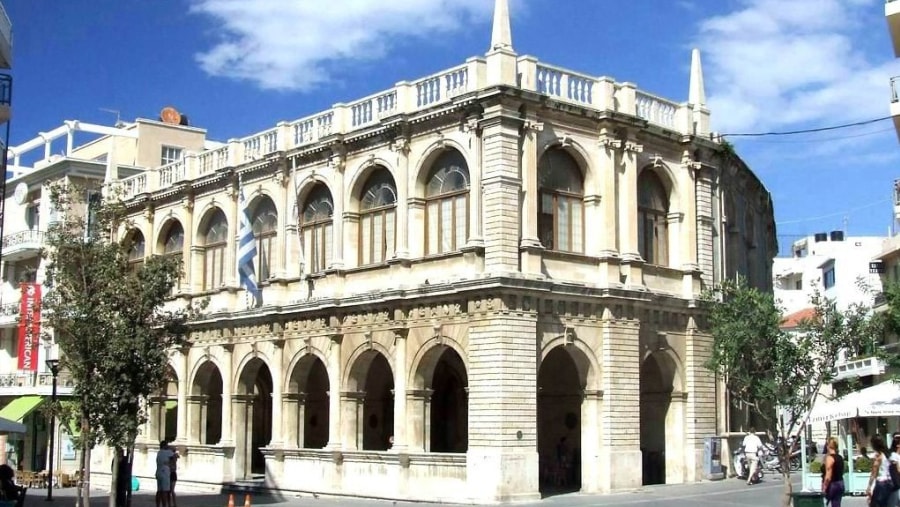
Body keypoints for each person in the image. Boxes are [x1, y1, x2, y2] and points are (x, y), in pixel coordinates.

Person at [865, 435, 893, 507]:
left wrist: (869, 486)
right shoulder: (887, 454)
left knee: (876, 504)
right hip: (889, 482)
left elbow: (874, 473)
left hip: (881, 483)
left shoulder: (878, 456)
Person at [821, 437, 845, 507]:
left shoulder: (829, 458)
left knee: (823, 503)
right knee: (836, 504)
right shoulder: (840, 457)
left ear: (828, 446)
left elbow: (828, 475)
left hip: (832, 485)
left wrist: (824, 487)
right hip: (840, 483)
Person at [155, 441, 175, 507]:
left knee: (159, 491)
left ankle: (157, 505)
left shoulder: (159, 452)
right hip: (165, 473)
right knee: (165, 492)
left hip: (158, 472)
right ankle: (164, 505)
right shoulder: (167, 452)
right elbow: (176, 455)